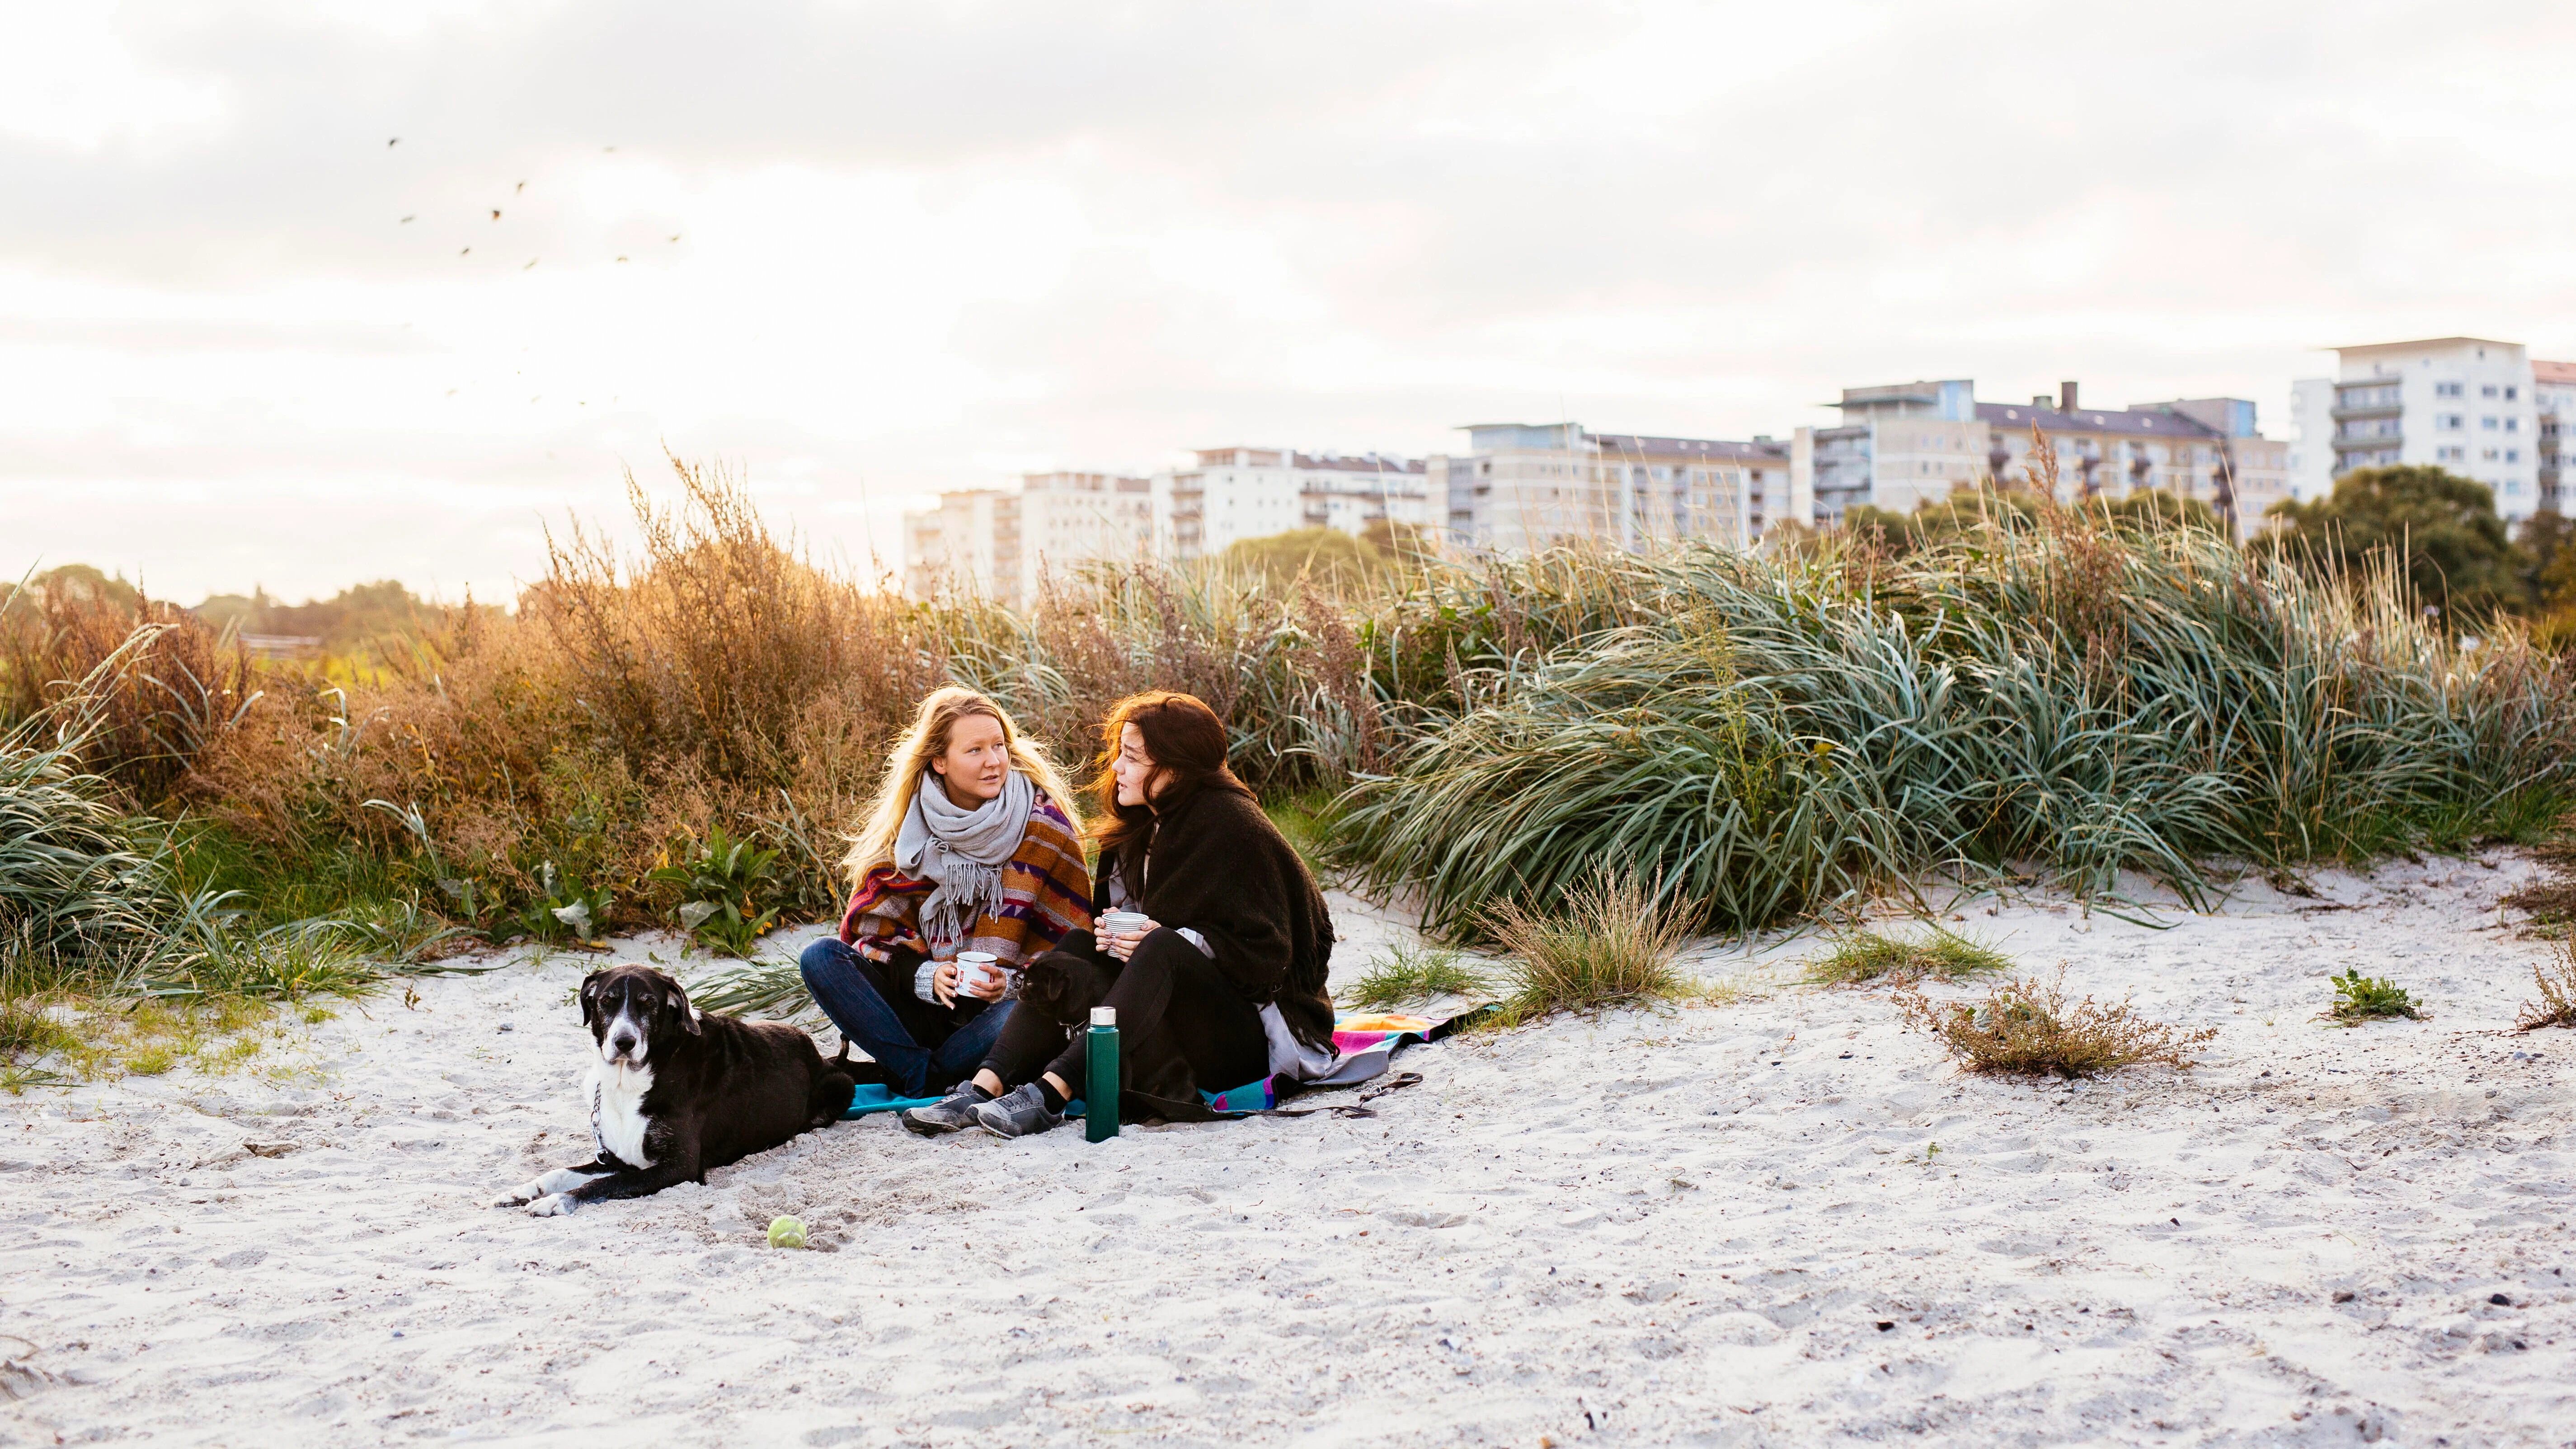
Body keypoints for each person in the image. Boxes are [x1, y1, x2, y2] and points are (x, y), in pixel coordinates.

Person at [900, 690, 1337, 1139]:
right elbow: (1125, 938)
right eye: (1118, 753)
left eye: (1131, 757)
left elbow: (1270, 958)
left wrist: (1176, 938)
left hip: (1253, 1037)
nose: (1116, 768)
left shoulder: (1231, 822)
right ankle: (982, 1086)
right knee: (1076, 947)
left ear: (1176, 767)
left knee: (1163, 945)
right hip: (1171, 1013)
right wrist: (1117, 939)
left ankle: (1053, 1093)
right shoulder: (1139, 827)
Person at [798, 687, 1091, 1100]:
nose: (994, 761)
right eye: (975, 750)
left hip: (1000, 1022)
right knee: (820, 957)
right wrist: (926, 977)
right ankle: (927, 1074)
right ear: (940, 761)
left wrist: (1008, 984)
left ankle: (914, 1074)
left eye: (999, 746)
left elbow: (1072, 951)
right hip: (927, 1013)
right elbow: (873, 937)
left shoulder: (1043, 827)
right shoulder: (911, 835)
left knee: (1027, 1011)